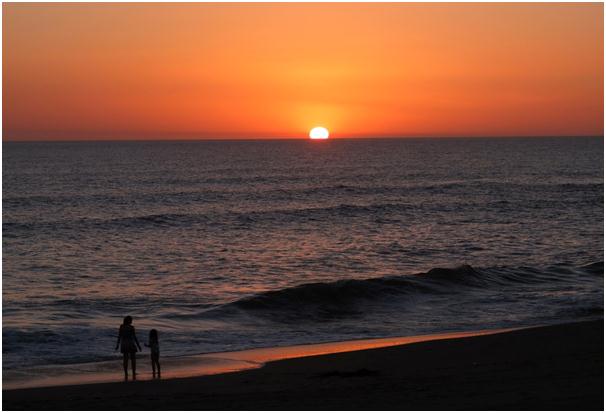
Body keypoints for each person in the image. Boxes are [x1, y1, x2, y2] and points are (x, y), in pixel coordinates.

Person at [115, 316, 141, 380]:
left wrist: (117, 345)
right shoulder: (131, 327)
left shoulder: (121, 327)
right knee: (133, 359)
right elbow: (135, 337)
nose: (132, 321)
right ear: (128, 320)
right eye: (131, 320)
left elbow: (119, 336)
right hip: (131, 343)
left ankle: (126, 373)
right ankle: (133, 372)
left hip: (124, 344)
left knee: (125, 359)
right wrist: (138, 345)